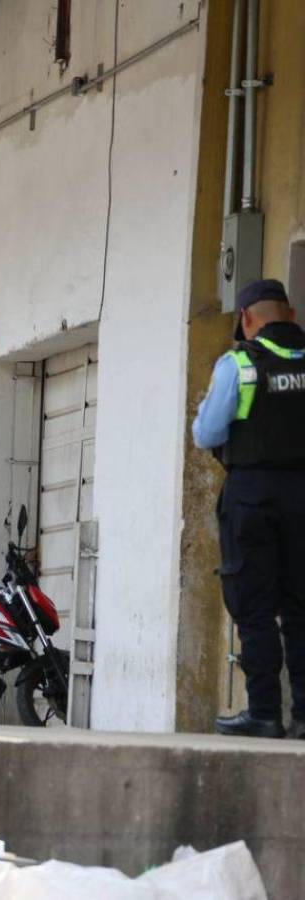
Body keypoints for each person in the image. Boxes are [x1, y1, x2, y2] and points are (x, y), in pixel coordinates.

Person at [192, 278, 305, 739]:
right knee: (301, 607)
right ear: (291, 315)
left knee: (254, 607)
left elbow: (206, 433)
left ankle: (264, 713)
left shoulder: (239, 363)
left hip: (252, 495)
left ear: (246, 319)